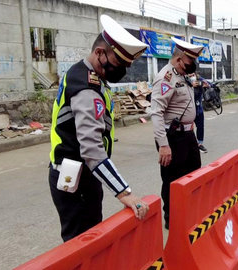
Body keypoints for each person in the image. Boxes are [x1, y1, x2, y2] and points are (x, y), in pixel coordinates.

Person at [48, 15, 149, 242]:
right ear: (100, 54)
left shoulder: (84, 74)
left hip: (80, 174)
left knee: (89, 238)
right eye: (118, 64)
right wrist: (125, 193)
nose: (121, 70)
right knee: (81, 244)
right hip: (75, 178)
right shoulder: (86, 87)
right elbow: (92, 149)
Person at [150, 37, 204, 229]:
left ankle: (188, 214)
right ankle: (172, 221)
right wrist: (163, 144)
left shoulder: (182, 75)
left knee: (193, 176)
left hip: (188, 136)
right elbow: (156, 113)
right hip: (173, 137)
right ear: (179, 59)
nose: (191, 67)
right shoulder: (165, 78)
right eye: (189, 63)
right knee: (173, 181)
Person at [192, 73, 208, 153]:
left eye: (192, 73)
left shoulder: (199, 79)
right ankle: (192, 144)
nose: (191, 75)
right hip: (189, 110)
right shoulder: (183, 79)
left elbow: (208, 83)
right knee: (189, 128)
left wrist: (204, 84)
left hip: (199, 108)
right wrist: (190, 85)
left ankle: (200, 143)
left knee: (200, 126)